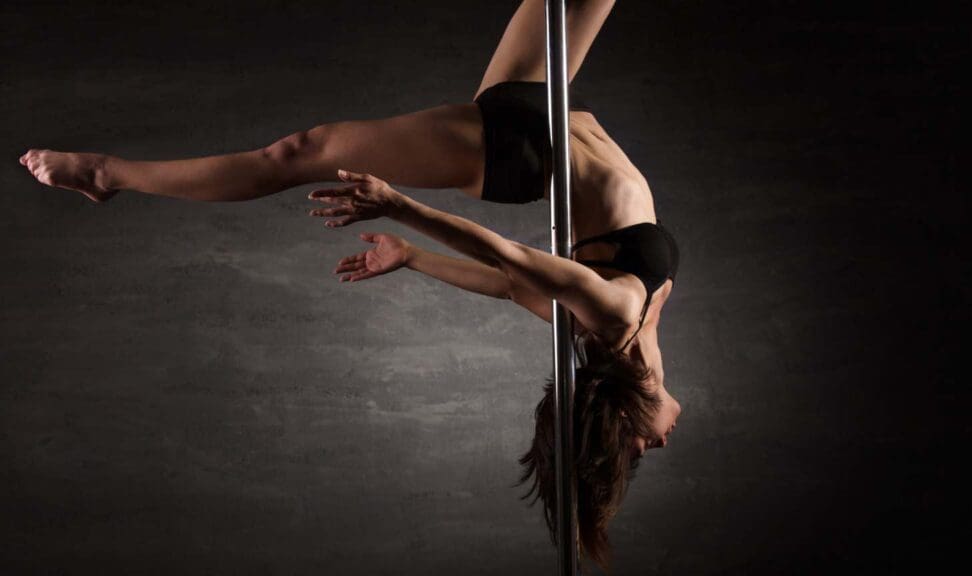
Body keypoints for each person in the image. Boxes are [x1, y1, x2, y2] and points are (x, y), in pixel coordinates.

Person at [19, 0, 681, 569]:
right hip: (544, 108)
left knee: (298, 154)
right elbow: (507, 285)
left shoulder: (613, 315)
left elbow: (508, 260)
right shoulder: (620, 335)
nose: (657, 443)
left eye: (639, 449)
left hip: (524, 149)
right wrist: (412, 258)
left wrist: (405, 214)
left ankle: (110, 174)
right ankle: (113, 175)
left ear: (624, 422)